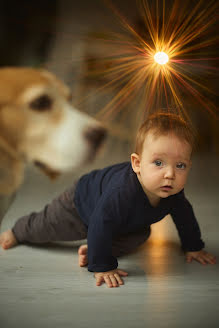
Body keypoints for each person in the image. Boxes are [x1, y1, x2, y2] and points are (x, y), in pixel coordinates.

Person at [0, 112, 216, 288]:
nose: (170, 174)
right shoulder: (122, 192)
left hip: (124, 221)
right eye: (158, 163)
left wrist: (193, 246)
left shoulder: (172, 192)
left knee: (142, 234)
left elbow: (185, 216)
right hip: (80, 204)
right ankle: (17, 231)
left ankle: (95, 248)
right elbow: (99, 223)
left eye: (180, 165)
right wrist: (102, 266)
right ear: (137, 163)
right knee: (46, 226)